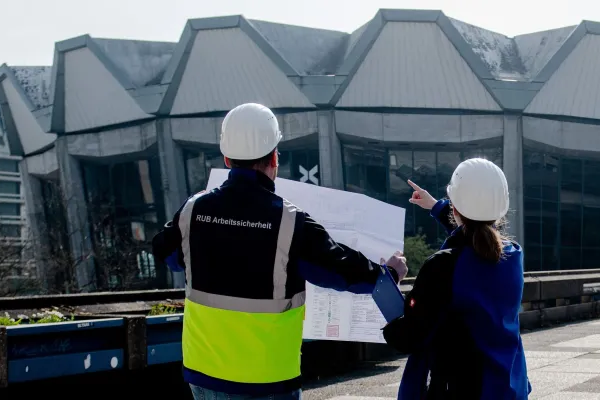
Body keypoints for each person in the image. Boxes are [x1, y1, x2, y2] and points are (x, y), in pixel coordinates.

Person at [152, 103, 405, 400]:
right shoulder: (289, 221)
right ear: (274, 158)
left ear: (226, 158)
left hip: (204, 374)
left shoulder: (193, 210)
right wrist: (387, 272)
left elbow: (165, 252)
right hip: (266, 379)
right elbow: (341, 268)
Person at [383, 158, 531, 399]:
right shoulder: (513, 256)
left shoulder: (443, 266)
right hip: (506, 387)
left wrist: (387, 280)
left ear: (455, 209)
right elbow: (475, 238)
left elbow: (407, 337)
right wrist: (435, 206)